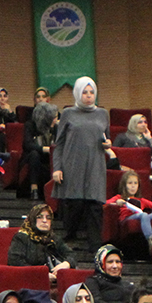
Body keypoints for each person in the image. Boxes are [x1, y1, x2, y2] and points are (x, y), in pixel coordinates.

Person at [50, 77, 113, 254]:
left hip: (95, 165)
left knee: (94, 205)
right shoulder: (68, 114)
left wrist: (108, 144)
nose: (88, 96)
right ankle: (70, 237)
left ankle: (95, 246)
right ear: (78, 93)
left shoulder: (103, 114)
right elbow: (59, 144)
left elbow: (106, 138)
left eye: (91, 92)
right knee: (74, 203)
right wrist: (57, 168)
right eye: (85, 92)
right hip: (73, 165)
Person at [7, 203, 69, 279]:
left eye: (48, 218)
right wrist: (41, 274)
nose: (44, 221)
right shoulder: (21, 238)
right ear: (33, 219)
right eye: (40, 217)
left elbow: (70, 254)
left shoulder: (54, 239)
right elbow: (15, 261)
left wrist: (66, 264)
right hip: (28, 280)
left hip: (54, 279)